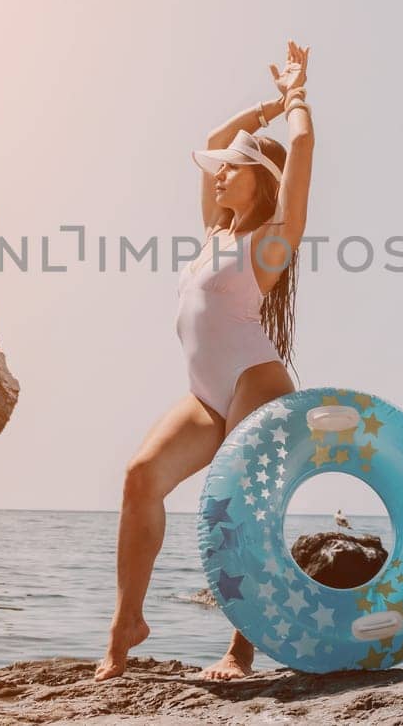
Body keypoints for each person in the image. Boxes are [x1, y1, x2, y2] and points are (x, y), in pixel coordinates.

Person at [94, 40, 316, 681]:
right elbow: (219, 134)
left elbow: (299, 150)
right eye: (219, 169)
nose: (220, 172)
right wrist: (269, 102)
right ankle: (125, 624)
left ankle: (240, 651)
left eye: (233, 167)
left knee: (239, 505)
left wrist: (298, 97)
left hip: (254, 381)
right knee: (141, 478)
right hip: (204, 394)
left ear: (260, 180)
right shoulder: (213, 232)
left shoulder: (270, 243)